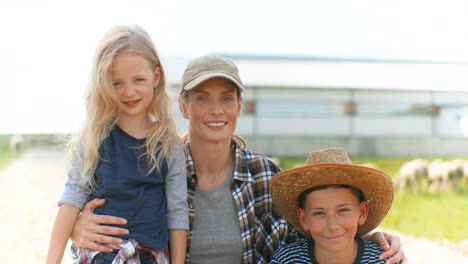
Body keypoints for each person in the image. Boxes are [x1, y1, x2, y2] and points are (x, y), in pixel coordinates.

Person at [69, 55, 406, 263]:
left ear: (239, 106)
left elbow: (314, 232)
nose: (216, 110)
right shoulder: (156, 167)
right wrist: (77, 228)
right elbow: (113, 226)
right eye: (203, 98)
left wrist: (369, 240)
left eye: (226, 98)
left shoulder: (264, 175)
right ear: (183, 106)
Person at [45, 25, 188, 264]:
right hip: (100, 256)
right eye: (117, 83)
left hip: (150, 257)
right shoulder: (94, 138)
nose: (129, 91)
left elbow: (177, 213)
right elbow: (70, 201)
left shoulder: (168, 145)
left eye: (138, 79)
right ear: (103, 84)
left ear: (156, 77)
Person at [270, 147, 400, 264]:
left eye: (343, 210)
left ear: (362, 212)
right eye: (319, 213)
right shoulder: (286, 260)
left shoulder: (385, 259)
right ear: (304, 219)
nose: (332, 225)